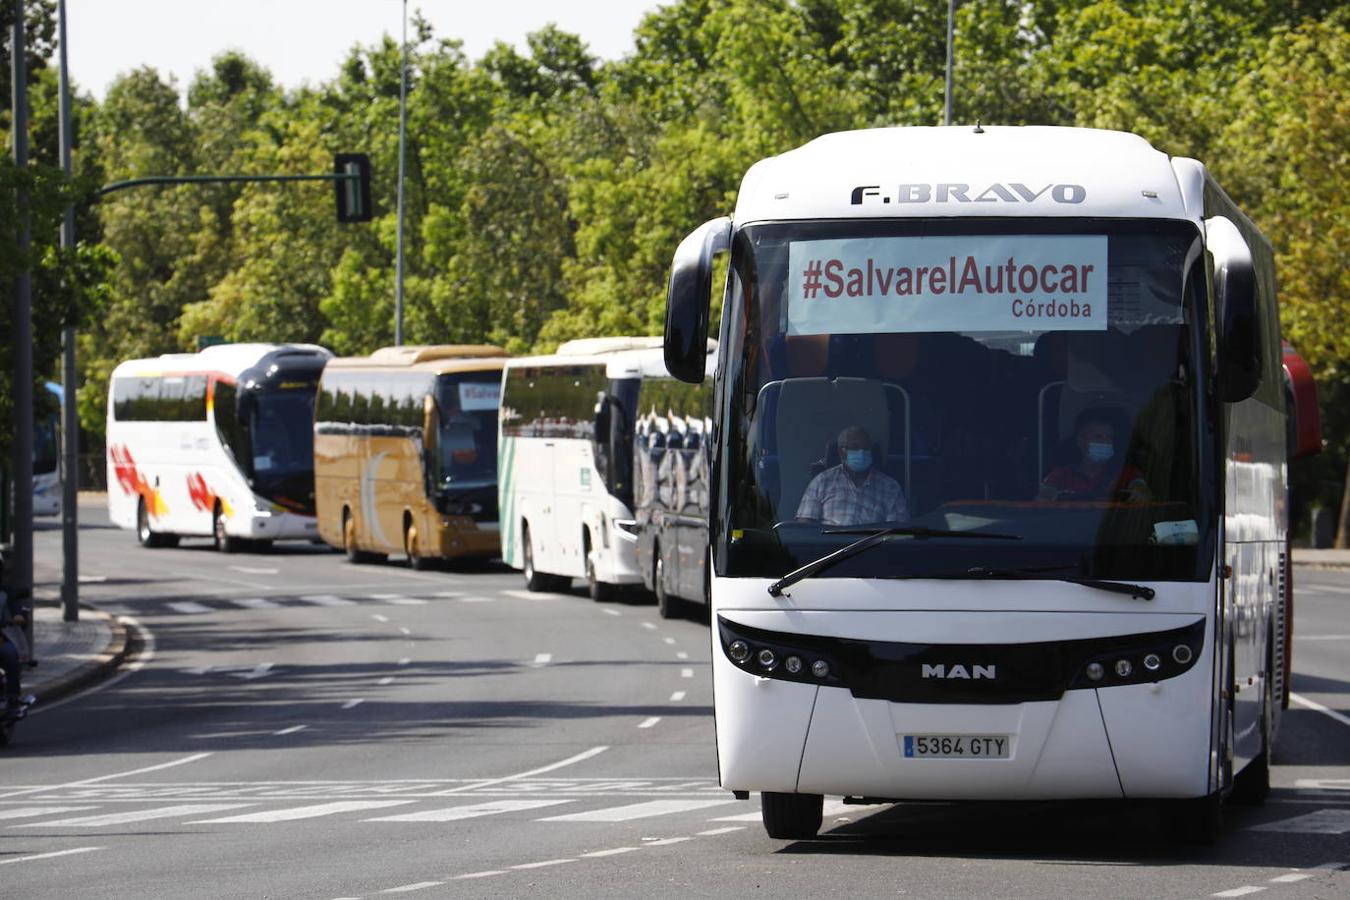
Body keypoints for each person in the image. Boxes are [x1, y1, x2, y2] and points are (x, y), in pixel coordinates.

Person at [795, 426, 909, 526]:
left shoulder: (890, 487)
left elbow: (897, 532)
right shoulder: (822, 481)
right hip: (829, 547)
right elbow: (805, 526)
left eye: (866, 448)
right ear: (841, 452)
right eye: (854, 447)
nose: (861, 452)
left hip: (872, 547)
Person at [1038, 408, 1150, 502]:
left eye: (1109, 437)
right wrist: (1047, 495)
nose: (1106, 442)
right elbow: (1041, 504)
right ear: (1081, 441)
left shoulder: (1124, 474)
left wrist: (1139, 488)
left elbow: (1140, 488)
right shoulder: (1060, 476)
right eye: (1098, 437)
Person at [0, 558, 30, 719]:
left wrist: (17, 616)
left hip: (1, 639)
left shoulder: (6, 592)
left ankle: (13, 698)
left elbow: (15, 607)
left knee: (10, 655)